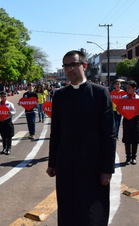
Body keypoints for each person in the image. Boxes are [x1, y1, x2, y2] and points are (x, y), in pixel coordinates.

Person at [46, 50, 116, 226]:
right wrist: (52, 162)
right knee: (67, 211)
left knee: (92, 214)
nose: (70, 69)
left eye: (74, 64)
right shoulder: (60, 95)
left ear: (84, 66)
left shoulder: (100, 93)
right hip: (66, 165)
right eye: (66, 66)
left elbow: (109, 134)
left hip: (93, 166)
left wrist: (107, 169)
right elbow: (56, 132)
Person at [117, 80, 139, 166]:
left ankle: (134, 157)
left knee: (135, 139)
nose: (127, 90)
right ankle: (128, 157)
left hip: (135, 120)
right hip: (126, 120)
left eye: (129, 88)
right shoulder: (124, 98)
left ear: (134, 88)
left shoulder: (138, 98)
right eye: (127, 88)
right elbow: (119, 111)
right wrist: (118, 109)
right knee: (127, 138)